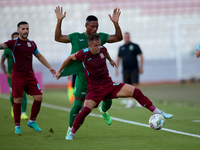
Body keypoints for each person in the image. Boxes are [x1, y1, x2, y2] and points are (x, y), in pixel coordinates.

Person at [56, 33, 173, 140]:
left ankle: (158, 112)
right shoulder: (83, 54)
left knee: (135, 91)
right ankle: (72, 133)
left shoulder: (103, 49)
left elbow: (105, 52)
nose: (98, 47)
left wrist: (110, 60)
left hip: (109, 85)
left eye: (99, 45)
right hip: (94, 90)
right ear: (89, 45)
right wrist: (60, 71)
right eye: (95, 46)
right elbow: (70, 58)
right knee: (85, 110)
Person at [54, 6, 123, 138]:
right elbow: (58, 38)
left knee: (109, 101)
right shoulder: (76, 37)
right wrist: (59, 21)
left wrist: (116, 23)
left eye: (97, 26)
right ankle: (70, 129)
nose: (95, 29)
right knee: (78, 105)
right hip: (82, 77)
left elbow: (118, 37)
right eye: (92, 26)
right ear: (86, 25)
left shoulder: (100, 37)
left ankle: (103, 111)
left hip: (100, 78)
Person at [0, 21, 56, 134]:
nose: (26, 31)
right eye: (23, 29)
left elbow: (39, 56)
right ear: (19, 30)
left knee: (39, 97)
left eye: (27, 28)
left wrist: (49, 67)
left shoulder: (32, 44)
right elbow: (2, 46)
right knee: (18, 99)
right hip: (17, 76)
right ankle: (17, 126)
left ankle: (32, 121)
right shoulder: (13, 43)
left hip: (30, 75)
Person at [1, 32, 29, 119]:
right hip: (12, 75)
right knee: (13, 94)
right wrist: (6, 73)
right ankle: (14, 108)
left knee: (23, 93)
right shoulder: (7, 50)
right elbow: (2, 62)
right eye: (15, 38)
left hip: (22, 75)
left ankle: (23, 113)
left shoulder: (24, 49)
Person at [116, 32, 144, 108]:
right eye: (125, 37)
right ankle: (130, 102)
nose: (127, 38)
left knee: (135, 84)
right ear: (124, 38)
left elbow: (141, 56)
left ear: (129, 37)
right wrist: (116, 69)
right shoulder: (121, 48)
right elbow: (118, 58)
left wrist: (141, 67)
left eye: (128, 37)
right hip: (125, 70)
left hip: (134, 69)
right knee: (127, 86)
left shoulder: (135, 46)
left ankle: (139, 101)